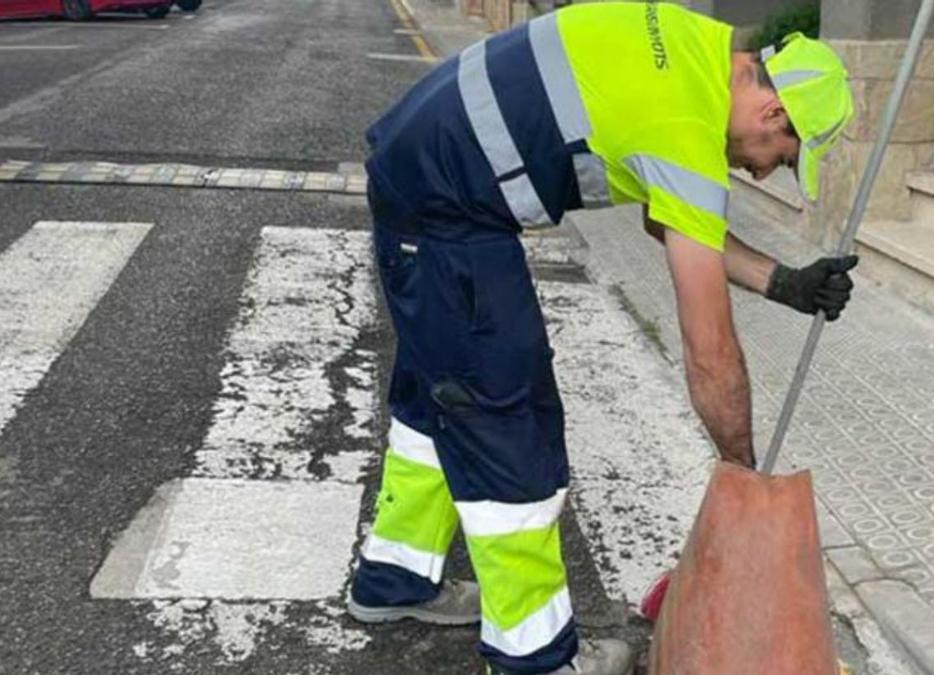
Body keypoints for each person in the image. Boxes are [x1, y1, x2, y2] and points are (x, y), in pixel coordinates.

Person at [348, 3, 857, 673]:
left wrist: (786, 282)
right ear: (771, 115)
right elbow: (710, 348)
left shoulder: (692, 49)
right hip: (452, 212)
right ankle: (535, 654)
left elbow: (665, 220)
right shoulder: (687, 128)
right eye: (783, 158)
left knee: (437, 400)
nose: (764, 174)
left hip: (422, 172)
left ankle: (396, 575)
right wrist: (743, 478)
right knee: (509, 419)